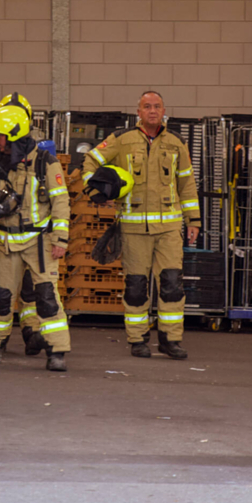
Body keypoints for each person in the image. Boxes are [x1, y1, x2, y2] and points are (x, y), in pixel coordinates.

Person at [81, 91, 201, 360]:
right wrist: (96, 191)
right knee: (136, 286)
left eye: (157, 106)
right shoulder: (122, 140)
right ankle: (138, 339)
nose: (152, 111)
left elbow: (187, 184)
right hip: (134, 229)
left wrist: (194, 220)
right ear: (138, 112)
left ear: (164, 110)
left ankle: (170, 339)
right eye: (147, 106)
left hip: (169, 229)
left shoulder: (176, 142)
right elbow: (89, 161)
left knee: (171, 284)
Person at [0, 106, 71, 372]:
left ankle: (56, 350)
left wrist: (60, 239)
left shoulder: (46, 162)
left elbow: (61, 202)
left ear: (14, 134)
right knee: (0, 297)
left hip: (40, 243)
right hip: (6, 242)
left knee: (46, 297)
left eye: (0, 136)